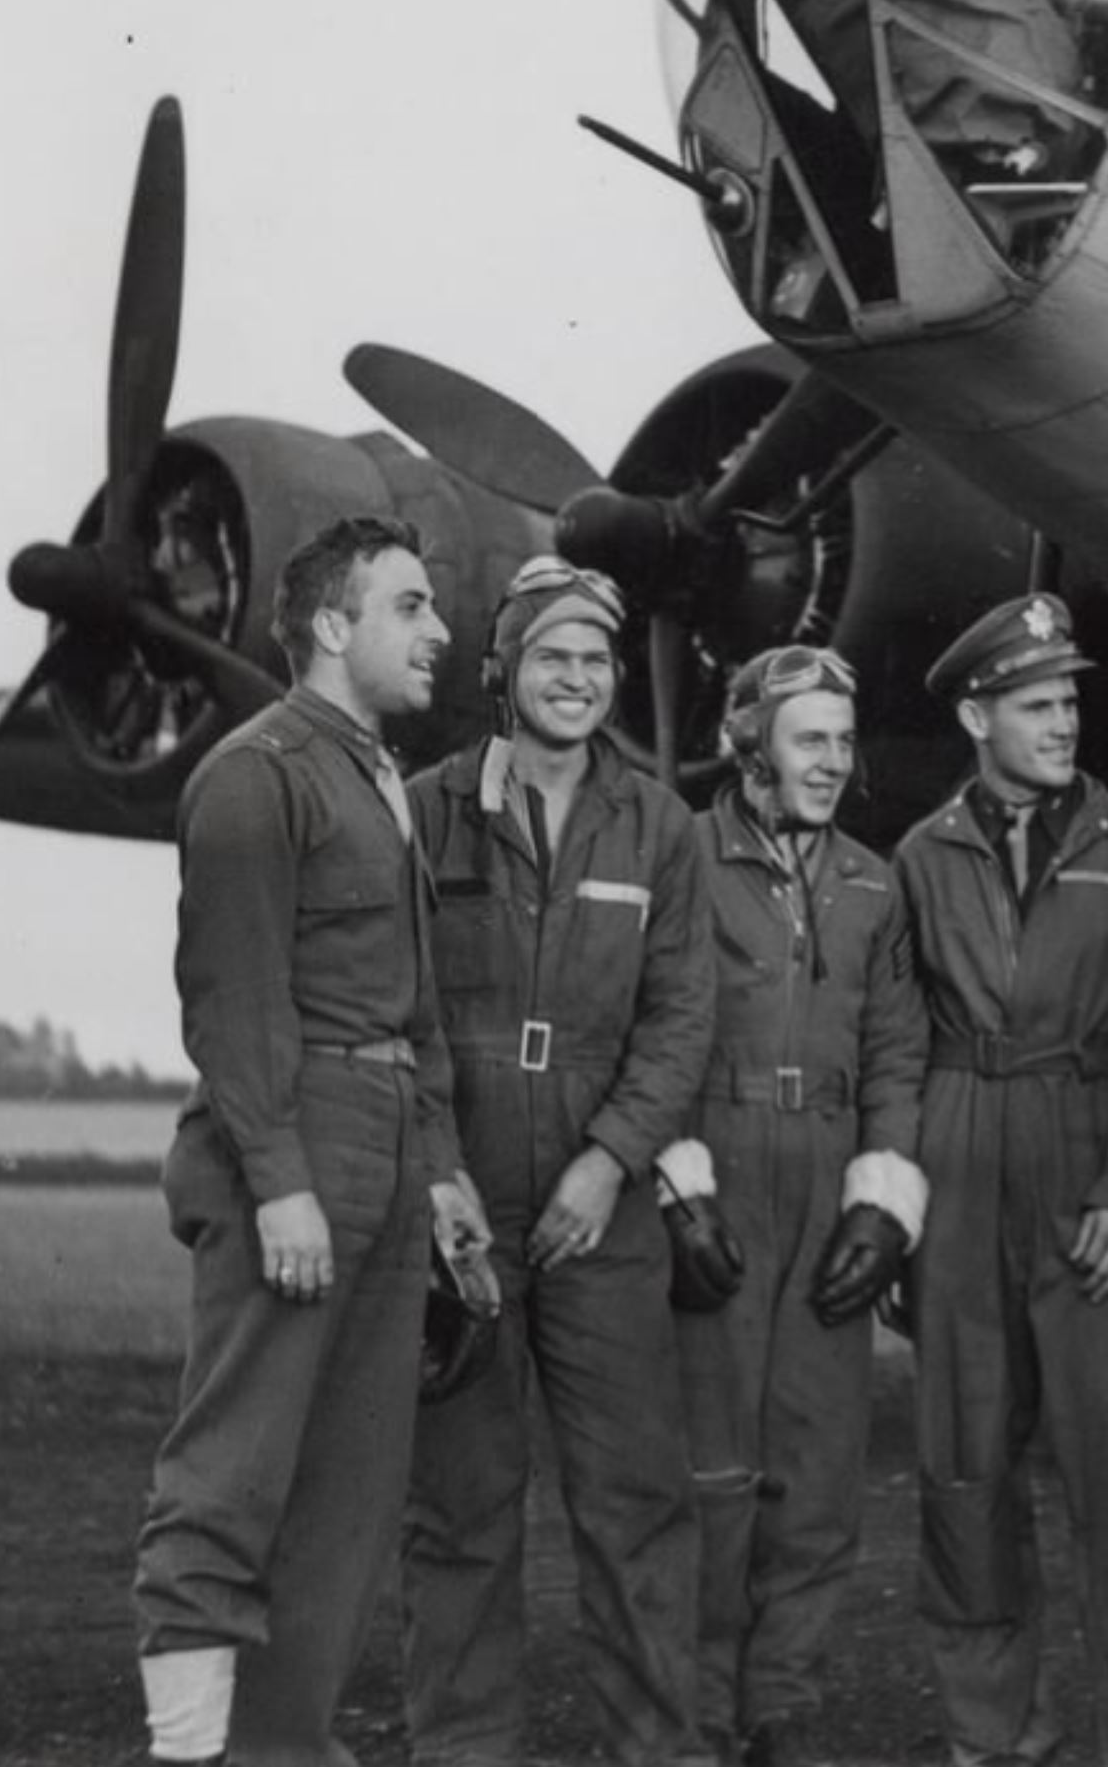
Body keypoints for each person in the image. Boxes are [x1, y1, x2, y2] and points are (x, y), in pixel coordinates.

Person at [132, 515, 494, 1767]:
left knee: (347, 1497)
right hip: (292, 1143)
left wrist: (443, 1175)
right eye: (409, 605)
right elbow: (231, 1001)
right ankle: (190, 1757)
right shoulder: (255, 774)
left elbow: (418, 1010)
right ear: (334, 628)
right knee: (231, 1479)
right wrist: (279, 1184)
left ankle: (279, 1753)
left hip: (388, 1150)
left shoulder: (374, 777)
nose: (437, 629)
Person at [401, 556, 717, 1767]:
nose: (578, 680)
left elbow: (681, 1018)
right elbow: (397, 1008)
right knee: (461, 1510)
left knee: (637, 1504)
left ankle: (656, 1753)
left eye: (596, 660)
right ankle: (462, 1752)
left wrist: (609, 1161)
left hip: (604, 1212)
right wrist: (438, 1173)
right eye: (553, 658)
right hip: (461, 1205)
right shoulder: (423, 811)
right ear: (503, 672)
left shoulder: (661, 827)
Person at [894, 592, 1108, 1767]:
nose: (1064, 719)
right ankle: (993, 1735)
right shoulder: (925, 856)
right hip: (962, 1155)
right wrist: (909, 1208)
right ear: (979, 716)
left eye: (1069, 699)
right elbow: (902, 1034)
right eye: (1036, 704)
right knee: (963, 1469)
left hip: (1087, 1156)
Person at [660, 644, 930, 1767]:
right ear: (751, 747)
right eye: (808, 739)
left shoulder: (874, 883)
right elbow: (646, 1023)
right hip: (717, 1157)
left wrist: (883, 1198)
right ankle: (704, 1716)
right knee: (714, 1470)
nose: (832, 761)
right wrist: (674, 1183)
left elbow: (897, 1051)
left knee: (818, 1474)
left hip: (827, 1171)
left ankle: (784, 1709)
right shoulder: (683, 858)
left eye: (841, 739)